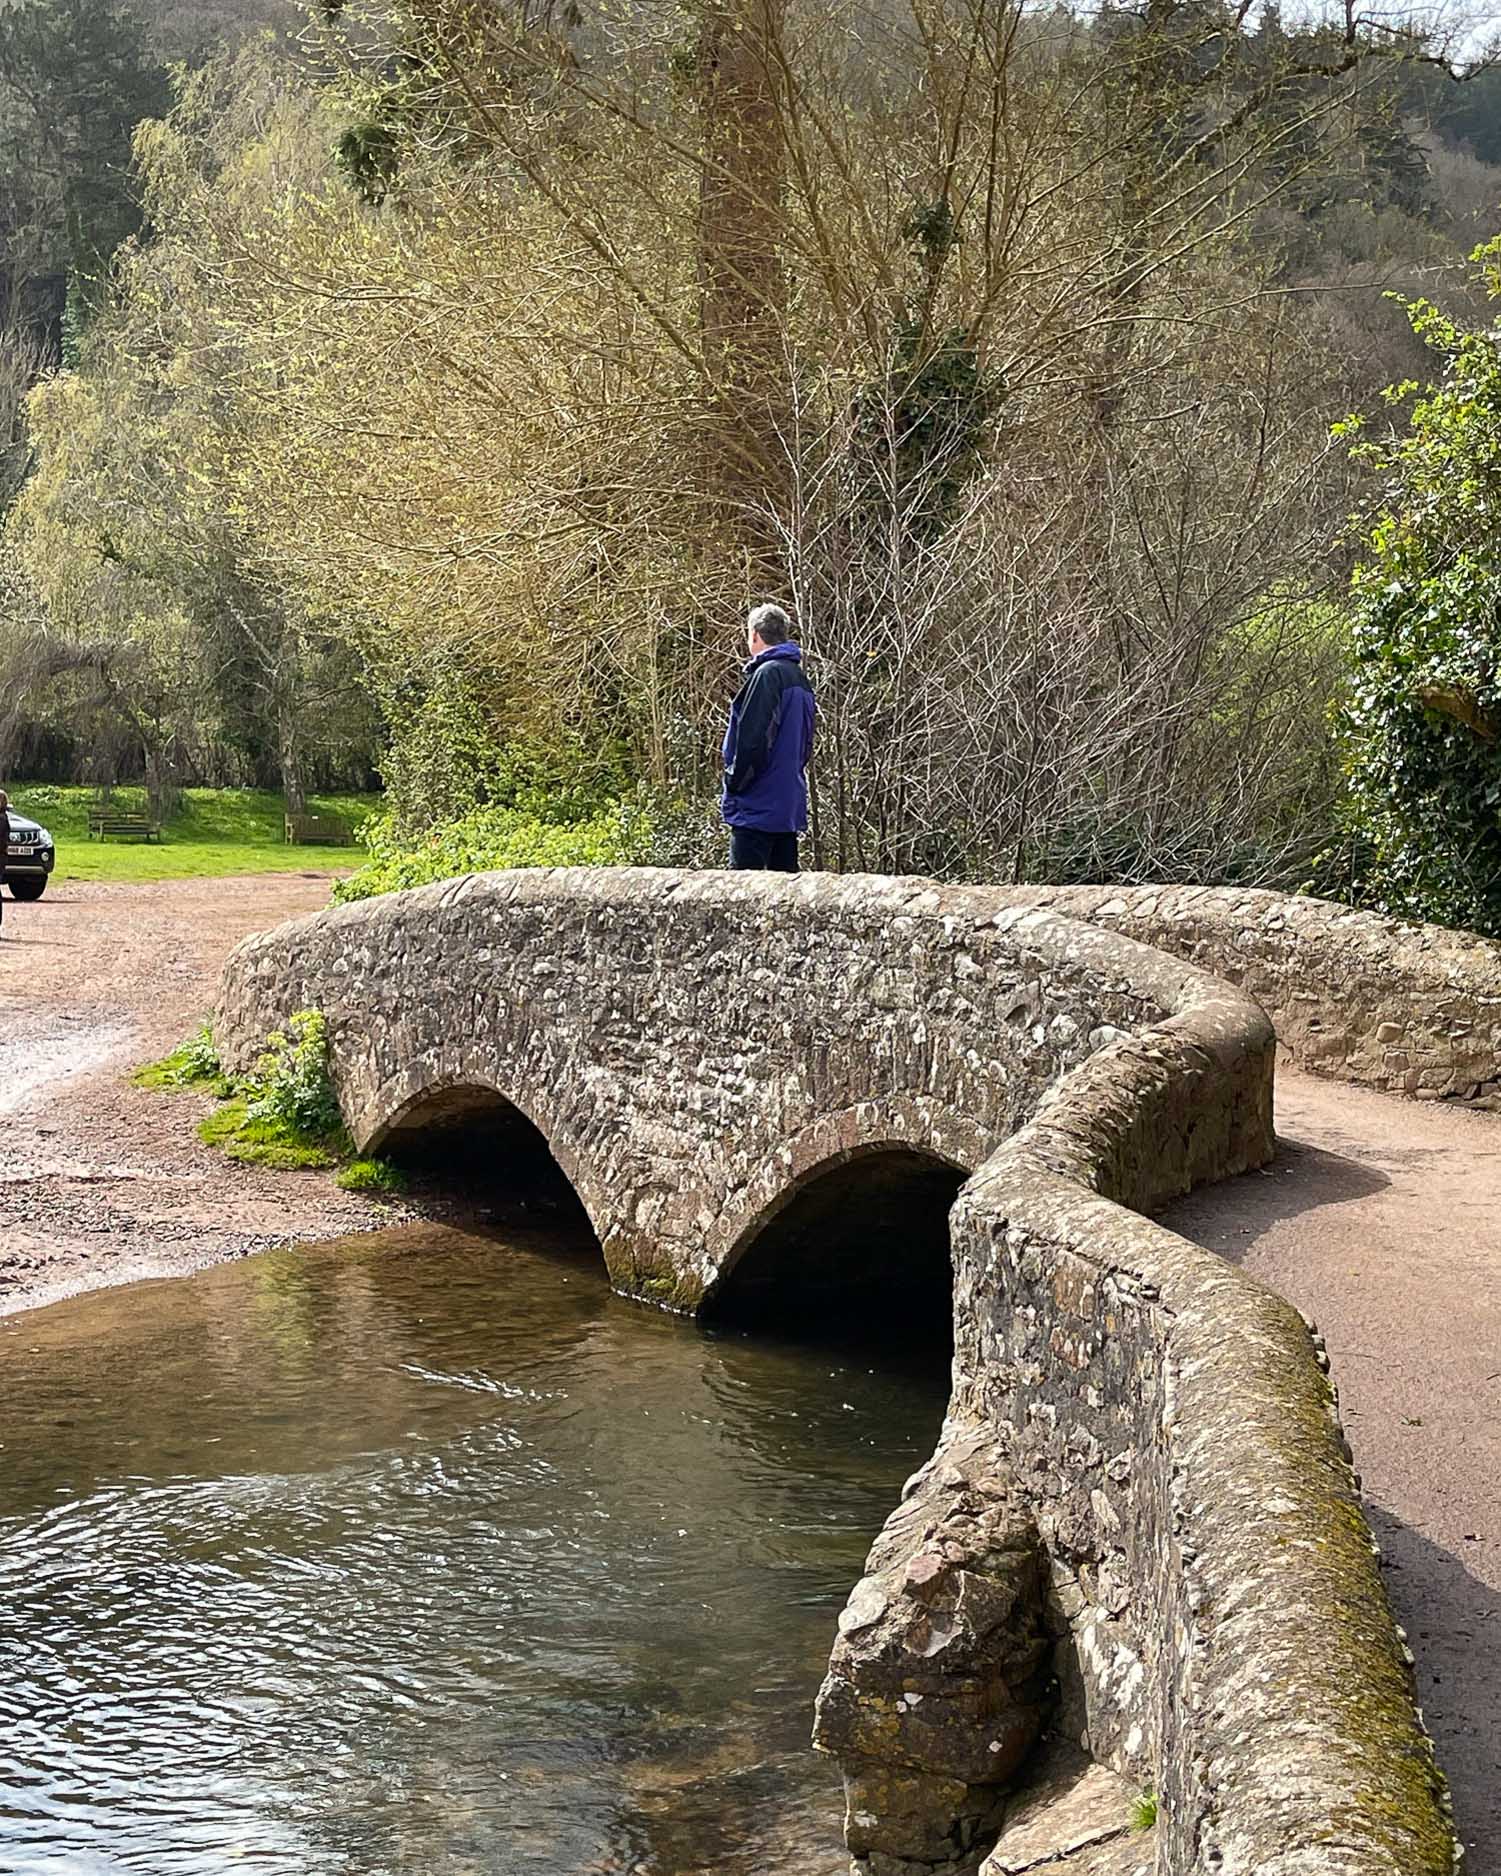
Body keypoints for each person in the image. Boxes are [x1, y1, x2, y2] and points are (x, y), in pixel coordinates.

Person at [721, 602, 817, 872]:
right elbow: (805, 744)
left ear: (754, 635)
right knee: (784, 895)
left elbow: (754, 741)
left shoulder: (767, 676)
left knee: (739, 896)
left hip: (757, 805)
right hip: (787, 803)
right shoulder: (798, 678)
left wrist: (735, 781)